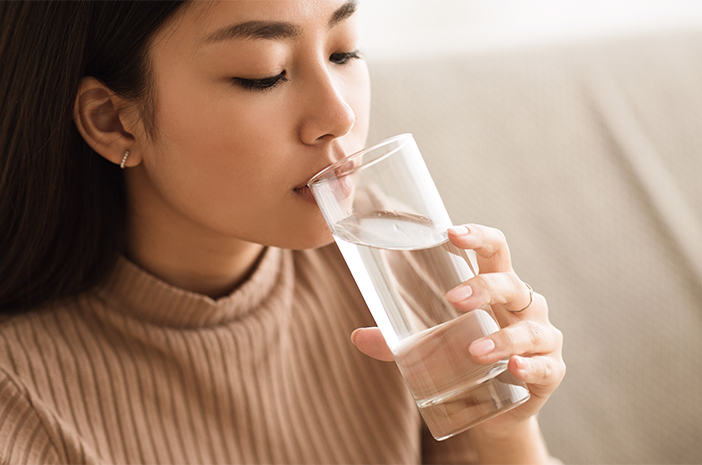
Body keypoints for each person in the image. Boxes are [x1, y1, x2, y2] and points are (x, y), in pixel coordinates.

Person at [0, 1, 565, 463]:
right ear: (111, 119)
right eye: (263, 74)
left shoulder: (396, 253)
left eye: (343, 51)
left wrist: (502, 433)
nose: (339, 115)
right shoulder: (20, 396)